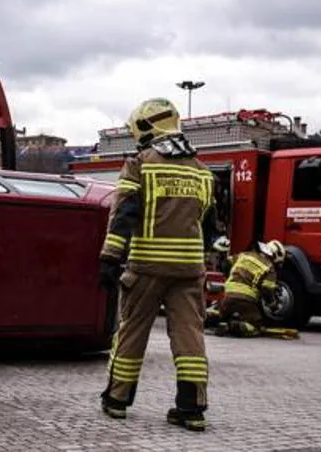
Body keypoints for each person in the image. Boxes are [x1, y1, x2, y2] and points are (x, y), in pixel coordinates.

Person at [97, 97, 228, 431]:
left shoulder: (141, 163)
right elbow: (211, 228)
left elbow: (124, 214)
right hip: (188, 270)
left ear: (145, 127)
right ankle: (192, 408)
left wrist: (110, 259)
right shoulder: (202, 171)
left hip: (146, 267)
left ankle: (116, 401)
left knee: (132, 332)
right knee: (190, 337)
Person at [209, 240, 298, 339]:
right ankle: (232, 326)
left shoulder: (244, 255)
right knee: (256, 327)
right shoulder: (269, 267)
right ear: (275, 255)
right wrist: (272, 304)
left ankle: (214, 317)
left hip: (227, 296)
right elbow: (266, 289)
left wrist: (231, 277)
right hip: (246, 300)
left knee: (224, 312)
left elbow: (226, 264)